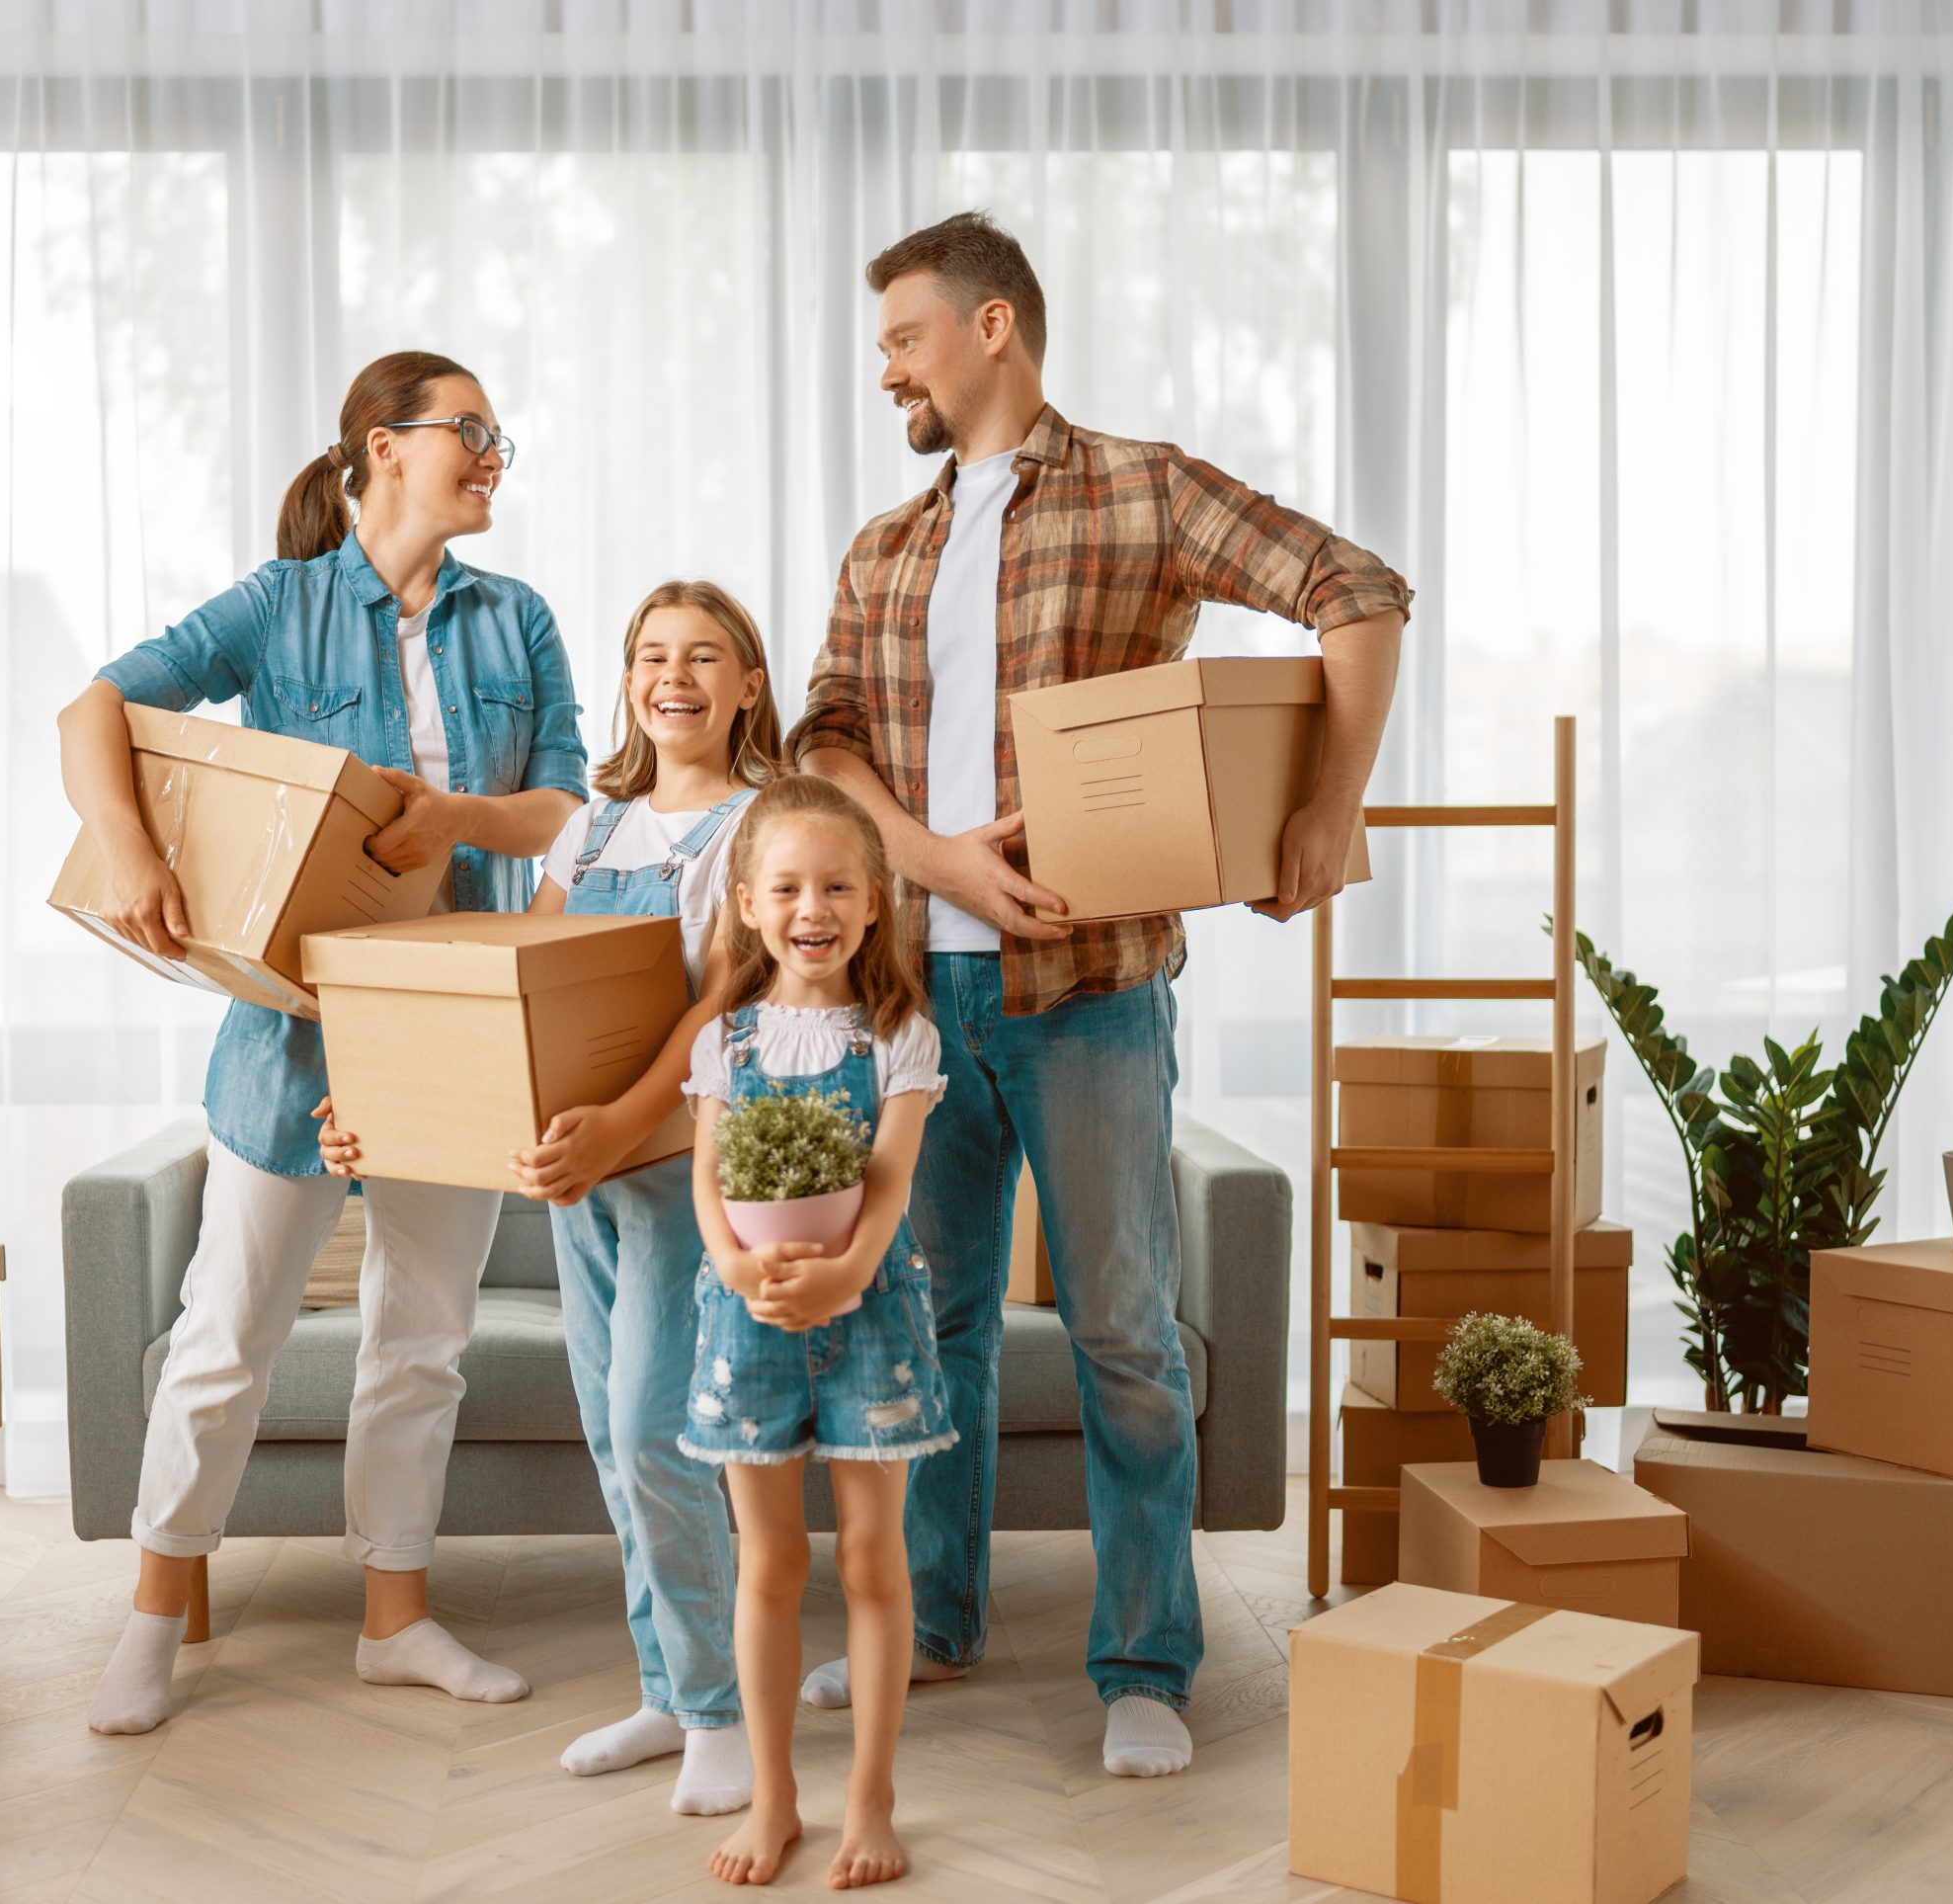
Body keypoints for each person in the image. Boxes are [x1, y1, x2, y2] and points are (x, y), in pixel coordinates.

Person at [791, 211, 1412, 1779]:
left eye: (906, 338)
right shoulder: (889, 546)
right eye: (884, 347)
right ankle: (935, 1620)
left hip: (1093, 994)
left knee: (1125, 1329)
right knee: (930, 1325)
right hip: (914, 999)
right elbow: (822, 741)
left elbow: (1356, 589)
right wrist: (935, 862)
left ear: (993, 328)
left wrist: (1326, 811)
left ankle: (1145, 1657)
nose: (889, 370)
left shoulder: (1143, 487)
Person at [63, 351, 587, 1736]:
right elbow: (95, 708)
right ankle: (154, 1616)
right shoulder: (281, 606)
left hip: (454, 1032)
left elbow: (565, 810)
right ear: (382, 443)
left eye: (497, 437)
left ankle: (396, 1617)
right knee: (226, 1334)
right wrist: (126, 847)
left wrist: (454, 819)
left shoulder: (516, 618)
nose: (490, 454)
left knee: (423, 1338)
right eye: (469, 430)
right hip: (291, 1038)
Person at [501, 580, 780, 1815]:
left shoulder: (765, 828)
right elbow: (524, 996)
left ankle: (720, 1711)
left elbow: (719, 1008)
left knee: (655, 1439)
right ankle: (666, 1690)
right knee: (615, 1451)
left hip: (682, 1175)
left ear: (747, 684)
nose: (675, 677)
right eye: (652, 656)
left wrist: (620, 1126)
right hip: (585, 1190)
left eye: (705, 655)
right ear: (627, 682)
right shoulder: (589, 832)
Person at [680, 774, 953, 1891]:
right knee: (771, 1564)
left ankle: (870, 1796)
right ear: (747, 903)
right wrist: (742, 1267)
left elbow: (886, 1183)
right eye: (788, 885)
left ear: (876, 900)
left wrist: (843, 1270)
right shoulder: (724, 1042)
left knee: (875, 1562)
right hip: (747, 1322)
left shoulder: (900, 1035)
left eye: (838, 884)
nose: (814, 906)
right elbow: (708, 1182)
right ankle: (776, 1795)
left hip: (872, 1315)